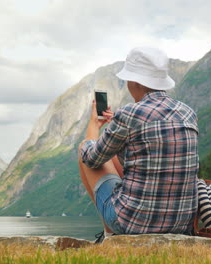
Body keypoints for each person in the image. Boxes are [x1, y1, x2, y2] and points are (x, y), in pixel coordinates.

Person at [78, 47, 199, 242]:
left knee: (85, 147)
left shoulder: (130, 113)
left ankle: (110, 235)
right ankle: (111, 234)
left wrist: (94, 126)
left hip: (133, 224)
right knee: (117, 154)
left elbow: (91, 159)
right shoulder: (188, 113)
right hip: (181, 224)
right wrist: (118, 129)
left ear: (134, 81)